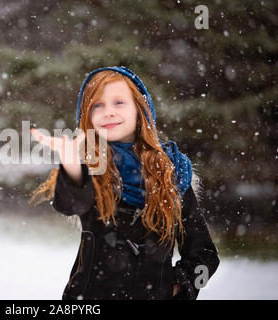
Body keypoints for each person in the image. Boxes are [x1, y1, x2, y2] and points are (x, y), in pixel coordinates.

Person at [29, 66, 219, 300]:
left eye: (119, 102)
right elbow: (70, 204)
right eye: (97, 105)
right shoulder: (91, 168)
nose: (108, 112)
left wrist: (178, 287)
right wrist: (70, 163)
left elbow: (204, 255)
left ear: (141, 110)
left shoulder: (173, 173)